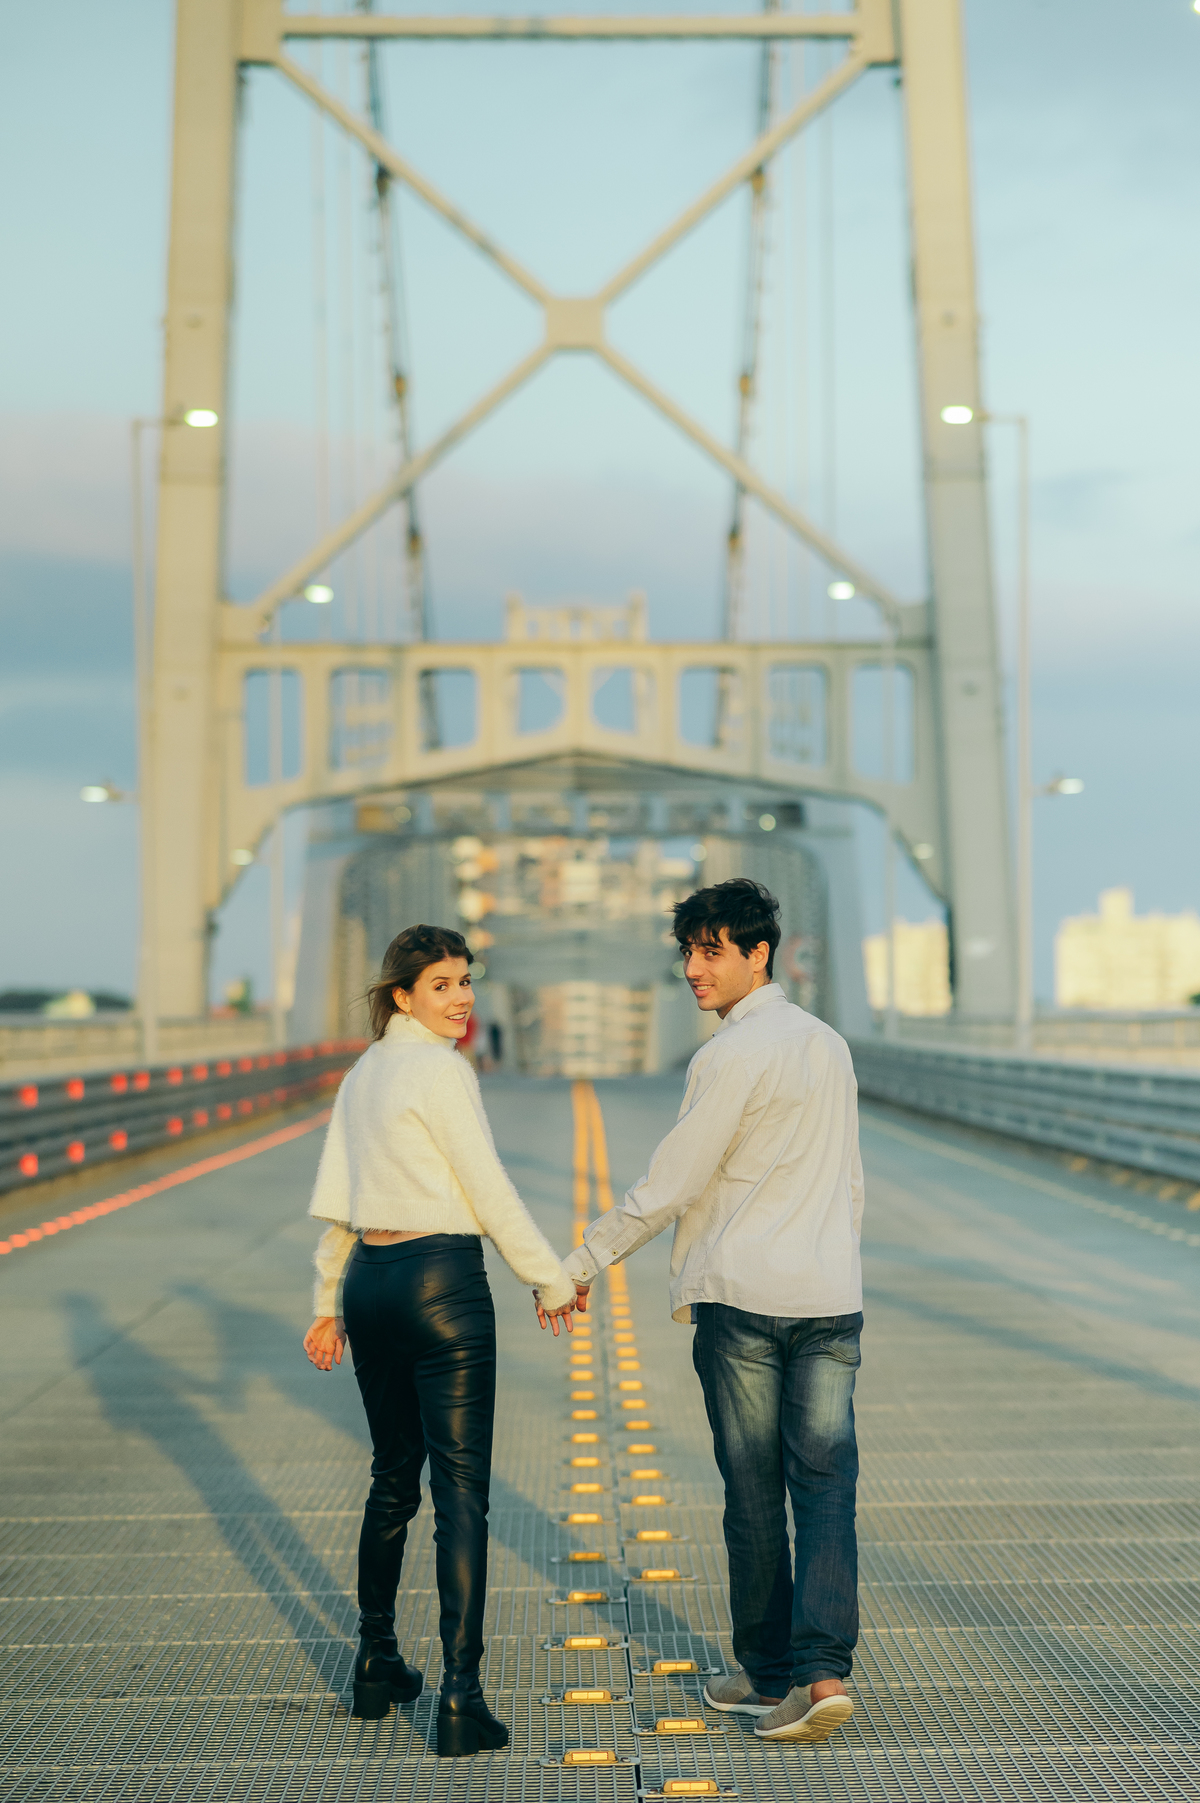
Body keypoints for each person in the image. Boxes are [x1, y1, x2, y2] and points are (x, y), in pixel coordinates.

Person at [562, 878, 864, 1745]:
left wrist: (586, 1258)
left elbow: (673, 1182)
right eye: (687, 950)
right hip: (829, 1297)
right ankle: (819, 1673)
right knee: (827, 1487)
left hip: (744, 1299)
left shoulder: (728, 1055)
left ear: (757, 953)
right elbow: (847, 1180)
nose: (693, 968)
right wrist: (839, 1268)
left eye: (711, 950)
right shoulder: (828, 1045)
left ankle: (775, 1670)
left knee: (754, 1496)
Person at [302, 924, 577, 1756]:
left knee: (392, 1477)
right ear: (403, 995)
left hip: (371, 1284)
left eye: (466, 981)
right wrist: (548, 1274)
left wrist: (326, 1303)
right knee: (461, 1491)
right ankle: (461, 1697)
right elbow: (485, 1184)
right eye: (443, 985)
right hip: (441, 1281)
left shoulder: (364, 1073)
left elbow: (340, 1201)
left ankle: (377, 1661)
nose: (461, 999)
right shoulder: (442, 1071)